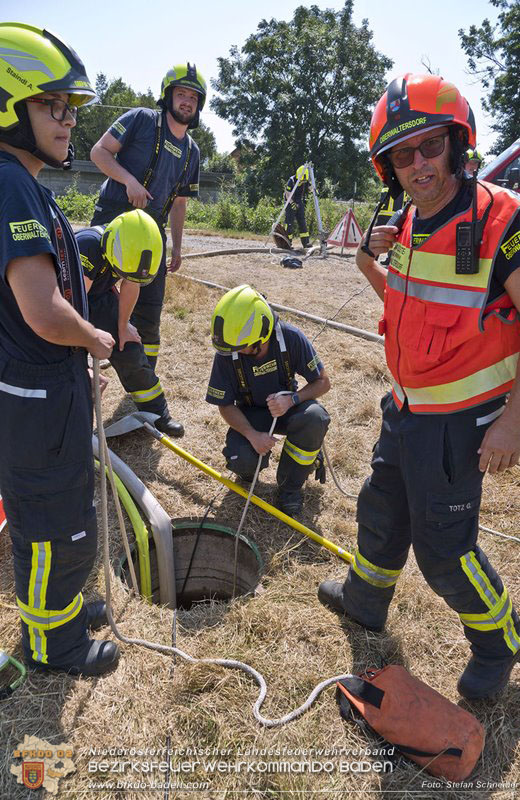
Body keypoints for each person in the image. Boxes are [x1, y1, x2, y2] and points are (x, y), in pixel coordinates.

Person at [318, 73, 520, 701]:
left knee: (445, 553)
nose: (419, 165)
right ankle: (365, 599)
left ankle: (500, 642)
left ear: (459, 142)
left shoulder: (506, 221)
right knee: (381, 511)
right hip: (406, 409)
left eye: (431, 146)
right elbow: (411, 307)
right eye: (402, 155)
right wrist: (367, 262)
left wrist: (515, 422)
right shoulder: (409, 220)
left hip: (459, 425)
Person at [0, 23, 119, 676]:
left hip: (46, 386)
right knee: (53, 526)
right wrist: (93, 339)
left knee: (69, 507)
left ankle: (65, 609)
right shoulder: (10, 185)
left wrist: (75, 363)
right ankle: (54, 644)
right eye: (55, 105)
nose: (70, 119)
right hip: (37, 397)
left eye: (72, 107)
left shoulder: (22, 182)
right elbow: (43, 312)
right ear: (9, 105)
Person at [90, 63, 206, 435]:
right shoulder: (139, 119)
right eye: (181, 94)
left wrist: (176, 247)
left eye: (193, 97)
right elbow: (99, 152)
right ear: (168, 95)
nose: (186, 101)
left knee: (150, 317)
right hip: (112, 223)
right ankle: (85, 359)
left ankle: (143, 385)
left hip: (151, 238)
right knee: (96, 301)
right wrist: (129, 182)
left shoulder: (192, 151)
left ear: (198, 106)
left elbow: (180, 203)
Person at [206, 285, 330, 516]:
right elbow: (225, 405)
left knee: (315, 418)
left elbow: (323, 382)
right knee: (241, 458)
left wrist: (293, 399)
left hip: (288, 409)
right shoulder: (228, 349)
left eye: (242, 347)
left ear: (261, 336)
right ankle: (248, 468)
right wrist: (253, 436)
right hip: (251, 414)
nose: (236, 352)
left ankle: (290, 488)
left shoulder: (290, 337)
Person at [76, 209, 183, 435]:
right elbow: (74, 308)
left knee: (130, 348)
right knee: (74, 367)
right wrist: (82, 361)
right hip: (70, 301)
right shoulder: (88, 246)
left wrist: (123, 326)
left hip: (100, 294)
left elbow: (130, 283)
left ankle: (157, 413)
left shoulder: (131, 246)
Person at [284, 165, 311, 249]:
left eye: (304, 181)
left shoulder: (305, 179)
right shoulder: (291, 180)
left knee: (302, 222)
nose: (302, 182)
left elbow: (310, 187)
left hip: (299, 202)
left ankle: (306, 244)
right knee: (289, 223)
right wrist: (292, 203)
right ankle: (287, 244)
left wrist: (313, 189)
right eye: (301, 181)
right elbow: (287, 193)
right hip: (290, 201)